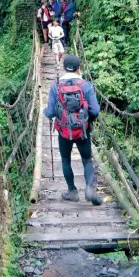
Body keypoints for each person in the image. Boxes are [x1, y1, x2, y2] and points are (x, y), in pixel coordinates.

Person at [44, 54, 102, 205]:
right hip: (82, 130)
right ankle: (89, 188)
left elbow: (50, 112)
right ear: (79, 68)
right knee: (87, 159)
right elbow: (95, 110)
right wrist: (86, 120)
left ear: (63, 68)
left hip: (64, 131)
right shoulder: (86, 85)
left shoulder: (55, 86)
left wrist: (46, 112)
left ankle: (72, 191)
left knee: (65, 159)